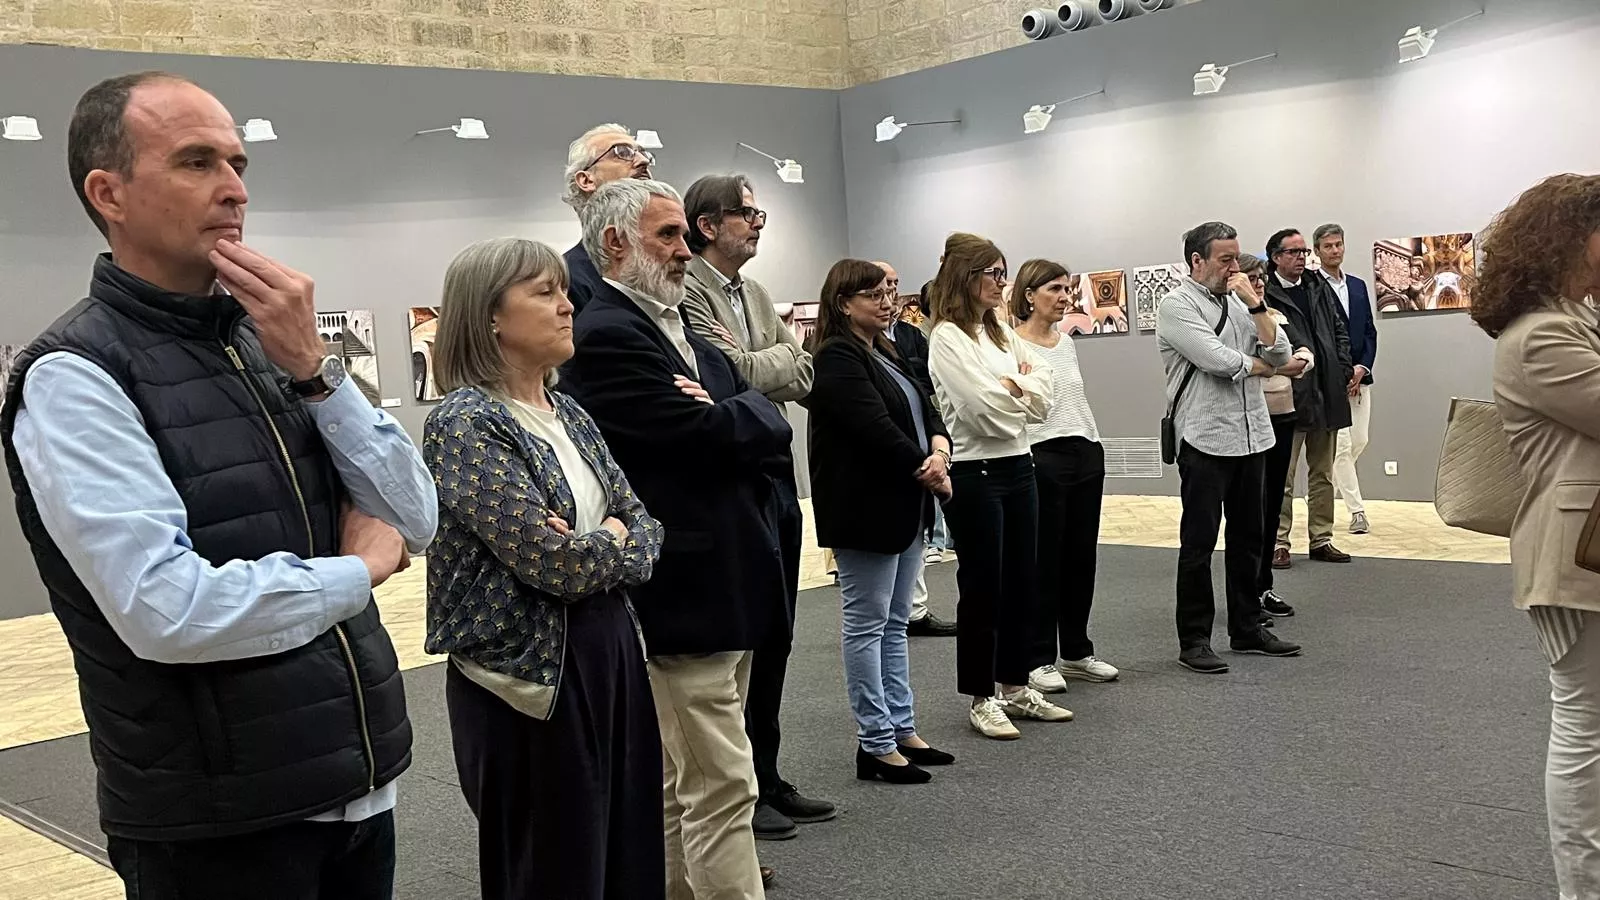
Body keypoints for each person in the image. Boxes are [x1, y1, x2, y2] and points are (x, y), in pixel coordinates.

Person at [0, 71, 436, 898]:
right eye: (197, 162)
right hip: (218, 820)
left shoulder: (268, 340)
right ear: (110, 192)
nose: (235, 189)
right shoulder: (76, 375)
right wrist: (359, 572)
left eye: (237, 163)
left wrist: (315, 369)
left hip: (354, 782)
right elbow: (168, 609)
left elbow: (414, 514)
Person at [561, 178, 792, 899]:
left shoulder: (680, 328)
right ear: (614, 243)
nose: (686, 249)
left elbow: (767, 419)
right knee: (722, 786)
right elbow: (707, 431)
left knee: (681, 783)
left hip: (727, 579)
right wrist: (740, 411)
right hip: (680, 592)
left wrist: (738, 410)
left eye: (683, 235)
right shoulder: (606, 335)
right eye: (668, 235)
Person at [422, 238, 667, 899]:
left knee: (626, 849)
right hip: (529, 677)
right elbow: (552, 564)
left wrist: (606, 539)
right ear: (490, 316)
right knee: (552, 867)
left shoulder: (572, 414)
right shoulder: (466, 420)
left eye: (564, 291)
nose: (567, 307)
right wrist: (609, 537)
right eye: (544, 292)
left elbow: (646, 527)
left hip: (609, 649)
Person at [678, 174, 834, 841]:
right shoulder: (687, 291)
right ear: (707, 225)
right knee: (740, 643)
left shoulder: (755, 294)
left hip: (777, 472)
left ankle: (767, 776)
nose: (758, 224)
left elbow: (800, 375)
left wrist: (754, 359)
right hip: (733, 473)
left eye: (758, 212)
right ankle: (739, 792)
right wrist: (759, 360)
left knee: (777, 633)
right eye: (746, 214)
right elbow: (721, 372)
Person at [1471, 172, 1600, 900]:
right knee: (1585, 728)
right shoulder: (1542, 334)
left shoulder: (1579, 320)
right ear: (1569, 238)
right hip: (1577, 554)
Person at [806, 258, 957, 784]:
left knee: (895, 625)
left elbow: (928, 407)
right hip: (866, 509)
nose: (887, 301)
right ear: (843, 303)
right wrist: (930, 472)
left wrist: (940, 450)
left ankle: (902, 728)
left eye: (888, 292)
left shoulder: (890, 349)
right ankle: (874, 743)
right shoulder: (836, 358)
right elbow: (875, 429)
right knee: (867, 626)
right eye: (872, 295)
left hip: (906, 500)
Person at [927, 232, 1072, 739]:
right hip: (976, 472)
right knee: (984, 587)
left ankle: (1015, 684)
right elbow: (982, 412)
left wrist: (1018, 387)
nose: (1001, 283)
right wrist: (1018, 388)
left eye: (1003, 273)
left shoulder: (1003, 333)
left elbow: (1044, 396)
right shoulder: (947, 336)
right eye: (992, 273)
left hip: (1019, 465)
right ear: (965, 278)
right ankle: (981, 695)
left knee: (1022, 582)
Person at [1155, 221, 1302, 674]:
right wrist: (1264, 364)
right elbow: (1218, 362)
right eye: (1225, 259)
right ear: (1197, 260)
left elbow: (1283, 352)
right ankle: (1194, 640)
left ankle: (1247, 628)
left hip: (1253, 434)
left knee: (1249, 539)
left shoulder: (1243, 303)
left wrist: (1257, 305)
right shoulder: (1177, 305)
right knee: (1198, 543)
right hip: (1205, 437)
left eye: (1237, 258)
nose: (1234, 267)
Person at [1009, 259, 1121, 694]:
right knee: (1045, 559)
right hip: (1042, 454)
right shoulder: (1011, 346)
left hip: (1085, 450)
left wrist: (1093, 447)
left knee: (1081, 557)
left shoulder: (1065, 343)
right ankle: (1039, 657)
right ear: (1029, 294)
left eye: (1067, 289)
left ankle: (1076, 650)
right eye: (1054, 289)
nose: (1064, 297)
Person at [874, 259, 957, 638]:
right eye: (880, 287)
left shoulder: (910, 337)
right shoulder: (848, 349)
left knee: (918, 539)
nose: (889, 293)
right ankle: (901, 611)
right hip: (892, 454)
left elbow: (928, 388)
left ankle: (915, 611)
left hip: (926, 441)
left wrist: (938, 445)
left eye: (894, 284)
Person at [1264, 228, 1354, 568]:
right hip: (1288, 395)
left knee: (1323, 473)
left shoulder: (1318, 286)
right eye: (1294, 252)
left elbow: (1339, 329)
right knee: (1282, 476)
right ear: (1276, 257)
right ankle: (1278, 541)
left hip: (1326, 391)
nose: (1301, 257)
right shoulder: (1267, 293)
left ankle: (1322, 538)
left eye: (1303, 251)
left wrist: (1343, 367)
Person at [1240, 253, 1314, 623]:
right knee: (1251, 511)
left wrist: (1270, 364)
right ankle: (1246, 592)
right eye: (1251, 278)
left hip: (1283, 416)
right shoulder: (1238, 319)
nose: (1258, 285)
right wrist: (1276, 364)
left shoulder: (1275, 315)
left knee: (1271, 506)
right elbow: (1243, 361)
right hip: (1252, 419)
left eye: (1261, 278)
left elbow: (1302, 356)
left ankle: (1263, 586)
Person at [1313, 224, 1378, 535]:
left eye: (1338, 244)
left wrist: (1361, 368)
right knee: (1341, 448)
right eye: (1328, 246)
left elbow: (1368, 332)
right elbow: (1320, 337)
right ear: (1317, 251)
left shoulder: (1357, 285)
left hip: (1360, 378)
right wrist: (1341, 373)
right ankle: (1357, 511)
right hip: (1331, 380)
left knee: (1359, 441)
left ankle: (1331, 488)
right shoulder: (1313, 287)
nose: (1335, 250)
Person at [561, 123, 656, 313]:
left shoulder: (659, 268)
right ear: (587, 180)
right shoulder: (569, 279)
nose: (642, 161)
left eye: (643, 153)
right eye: (622, 152)